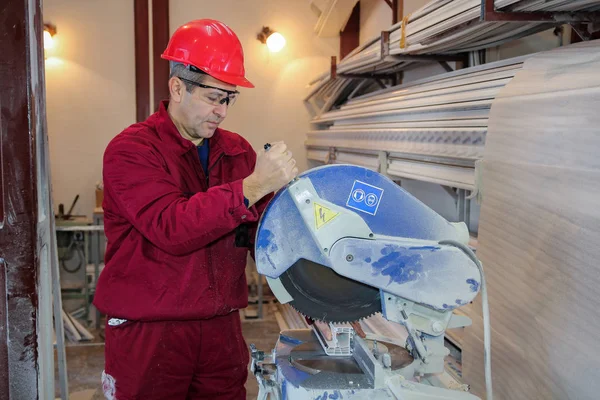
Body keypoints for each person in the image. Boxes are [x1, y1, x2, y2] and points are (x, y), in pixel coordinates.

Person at [93, 19, 298, 400]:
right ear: (177, 87)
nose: (221, 111)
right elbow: (171, 225)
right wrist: (253, 186)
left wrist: (312, 279)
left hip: (219, 330)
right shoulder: (132, 150)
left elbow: (263, 233)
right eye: (213, 97)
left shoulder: (237, 151)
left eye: (229, 98)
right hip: (150, 329)